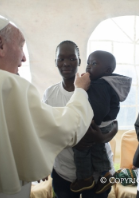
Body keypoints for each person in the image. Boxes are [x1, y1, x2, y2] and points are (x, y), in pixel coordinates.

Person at [0, 16, 94, 198]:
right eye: (20, 46)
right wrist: (80, 90)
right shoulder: (7, 84)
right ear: (0, 44)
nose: (24, 57)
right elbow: (65, 128)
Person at [42, 41, 119, 198]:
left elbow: (112, 121)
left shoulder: (97, 87)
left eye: (72, 58)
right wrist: (72, 141)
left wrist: (102, 137)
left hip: (100, 175)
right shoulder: (50, 94)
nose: (66, 64)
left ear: (79, 61)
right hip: (64, 171)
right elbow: (45, 131)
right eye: (61, 58)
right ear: (55, 61)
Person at [70, 50, 132, 193]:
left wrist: (91, 123)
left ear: (108, 70)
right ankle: (105, 174)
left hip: (97, 123)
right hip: (105, 124)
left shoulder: (100, 84)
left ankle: (85, 178)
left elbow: (99, 108)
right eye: (88, 62)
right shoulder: (108, 83)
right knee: (98, 148)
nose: (88, 66)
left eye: (94, 63)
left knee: (82, 148)